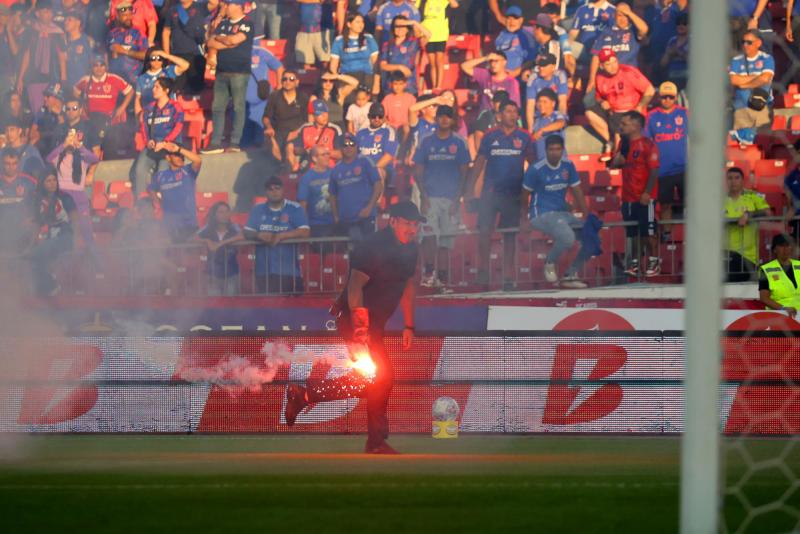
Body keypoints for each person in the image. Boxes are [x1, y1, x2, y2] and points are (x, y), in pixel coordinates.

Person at [284, 200, 423, 455]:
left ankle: (305, 395)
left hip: (375, 326)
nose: (413, 229)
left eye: (416, 225)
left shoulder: (411, 250)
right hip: (354, 320)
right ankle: (376, 441)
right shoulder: (373, 246)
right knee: (382, 378)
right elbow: (355, 286)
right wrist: (360, 332)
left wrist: (409, 324)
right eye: (408, 224)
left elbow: (409, 285)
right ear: (393, 221)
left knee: (376, 380)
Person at [470, 100, 533, 289]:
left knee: (510, 236)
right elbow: (479, 163)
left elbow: (534, 164)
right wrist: (469, 189)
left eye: (515, 111)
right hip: (490, 193)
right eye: (508, 111)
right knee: (484, 233)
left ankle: (508, 276)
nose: (512, 115)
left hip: (513, 194)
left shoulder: (525, 137)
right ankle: (483, 272)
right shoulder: (490, 136)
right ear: (500, 115)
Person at [521, 135, 590, 289]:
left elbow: (577, 190)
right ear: (546, 151)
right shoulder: (536, 169)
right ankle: (550, 262)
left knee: (591, 234)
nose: (554, 153)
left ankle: (570, 275)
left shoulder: (568, 165)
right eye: (551, 149)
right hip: (541, 214)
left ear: (562, 150)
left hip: (562, 214)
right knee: (568, 237)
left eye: (558, 149)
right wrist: (523, 218)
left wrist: (586, 214)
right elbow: (524, 194)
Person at [414, 105, 469, 290]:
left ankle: (443, 279)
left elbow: (464, 174)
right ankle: (428, 274)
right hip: (430, 198)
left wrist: (457, 199)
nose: (444, 120)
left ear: (452, 120)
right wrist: (423, 196)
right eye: (441, 116)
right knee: (429, 237)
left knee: (446, 241)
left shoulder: (459, 143)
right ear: (436, 119)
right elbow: (418, 170)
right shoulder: (426, 142)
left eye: (448, 117)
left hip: (451, 200)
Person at [611, 111, 661, 277]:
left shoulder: (648, 144)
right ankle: (635, 263)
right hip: (628, 197)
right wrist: (621, 150)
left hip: (645, 197)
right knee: (633, 232)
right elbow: (616, 164)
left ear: (637, 125)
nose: (621, 127)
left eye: (625, 124)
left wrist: (647, 193)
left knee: (648, 232)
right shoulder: (623, 144)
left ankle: (654, 262)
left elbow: (654, 170)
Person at [243, 176, 310, 294]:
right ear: (266, 192)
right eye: (270, 189)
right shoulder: (258, 209)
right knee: (266, 309)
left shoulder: (294, 208)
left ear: (283, 190)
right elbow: (247, 231)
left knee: (293, 309)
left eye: (277, 188)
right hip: (263, 270)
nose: (274, 192)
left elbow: (305, 231)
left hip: (288, 270)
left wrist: (280, 236)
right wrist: (258, 235)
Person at [203, 0, 255, 154]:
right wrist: (226, 42)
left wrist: (222, 39)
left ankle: (235, 142)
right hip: (221, 71)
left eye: (229, 4)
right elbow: (210, 42)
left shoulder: (247, 23)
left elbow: (235, 39)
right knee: (217, 107)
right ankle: (216, 142)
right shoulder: (223, 23)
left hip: (239, 71)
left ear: (238, 6)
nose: (225, 7)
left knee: (238, 107)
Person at [586, 48, 654, 154]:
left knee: (620, 139)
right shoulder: (600, 77)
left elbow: (650, 89)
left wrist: (640, 107)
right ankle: (610, 140)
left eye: (615, 62)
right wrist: (601, 102)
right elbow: (598, 96)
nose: (613, 66)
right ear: (601, 66)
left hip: (632, 112)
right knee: (589, 113)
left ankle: (618, 161)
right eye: (608, 64)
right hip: (613, 112)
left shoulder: (629, 72)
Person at [26, 167, 77, 296]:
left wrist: (78, 240)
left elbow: (76, 221)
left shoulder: (65, 198)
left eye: (54, 180)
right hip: (47, 236)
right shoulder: (37, 200)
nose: (52, 183)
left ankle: (51, 285)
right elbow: (35, 223)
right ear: (42, 183)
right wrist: (32, 242)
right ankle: (44, 289)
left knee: (40, 251)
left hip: (64, 236)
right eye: (48, 181)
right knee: (31, 254)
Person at [46, 129, 99, 254]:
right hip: (64, 196)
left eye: (74, 138)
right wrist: (64, 145)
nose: (71, 141)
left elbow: (95, 158)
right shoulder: (58, 157)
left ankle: (95, 261)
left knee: (86, 229)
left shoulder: (82, 157)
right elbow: (48, 159)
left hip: (79, 196)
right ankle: (67, 256)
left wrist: (79, 146)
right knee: (68, 228)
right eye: (69, 137)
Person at [73, 54, 134, 158]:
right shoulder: (86, 80)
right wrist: (81, 105)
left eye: (102, 65)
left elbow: (130, 91)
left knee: (108, 149)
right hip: (90, 120)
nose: (99, 68)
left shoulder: (114, 79)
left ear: (106, 66)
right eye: (96, 65)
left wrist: (122, 107)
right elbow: (75, 91)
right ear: (91, 67)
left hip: (110, 120)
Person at [646, 81, 688, 225]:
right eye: (664, 97)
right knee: (665, 206)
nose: (667, 100)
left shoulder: (685, 113)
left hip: (684, 168)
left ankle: (690, 237)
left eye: (670, 97)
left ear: (676, 97)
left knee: (690, 205)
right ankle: (667, 236)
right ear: (659, 97)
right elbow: (646, 142)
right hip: (663, 170)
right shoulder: (651, 116)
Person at [132, 77, 184, 194]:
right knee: (139, 169)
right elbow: (144, 128)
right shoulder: (149, 108)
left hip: (170, 148)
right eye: (153, 87)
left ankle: (164, 203)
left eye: (157, 87)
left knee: (163, 171)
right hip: (152, 146)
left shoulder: (175, 107)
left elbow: (178, 127)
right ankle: (142, 201)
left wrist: (165, 142)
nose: (153, 90)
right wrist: (148, 141)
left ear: (166, 90)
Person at [330, 133, 383, 242]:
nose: (348, 147)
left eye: (352, 144)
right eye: (345, 145)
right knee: (351, 255)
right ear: (340, 148)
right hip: (346, 220)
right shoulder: (336, 169)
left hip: (365, 218)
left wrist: (369, 208)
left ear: (356, 146)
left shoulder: (365, 162)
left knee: (367, 252)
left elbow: (378, 185)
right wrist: (336, 216)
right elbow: (332, 194)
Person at [17, 0, 67, 114]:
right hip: (33, 79)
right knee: (37, 112)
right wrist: (20, 78)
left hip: (52, 78)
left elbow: (61, 57)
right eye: (45, 11)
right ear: (38, 14)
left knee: (52, 110)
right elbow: (27, 55)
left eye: (50, 11)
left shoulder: (57, 32)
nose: (49, 14)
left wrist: (63, 78)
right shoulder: (31, 31)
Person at [588, 1, 648, 92]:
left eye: (625, 16)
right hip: (609, 76)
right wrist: (592, 80)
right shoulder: (606, 32)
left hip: (629, 75)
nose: (622, 19)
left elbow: (644, 29)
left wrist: (629, 13)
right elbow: (596, 56)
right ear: (614, 16)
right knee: (589, 99)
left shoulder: (633, 31)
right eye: (620, 15)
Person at [148, 142, 202, 243]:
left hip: (188, 225)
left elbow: (198, 160)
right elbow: (151, 189)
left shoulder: (187, 171)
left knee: (189, 257)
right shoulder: (160, 175)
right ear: (168, 158)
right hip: (170, 227)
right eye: (177, 155)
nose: (180, 158)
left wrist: (179, 149)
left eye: (181, 156)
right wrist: (159, 203)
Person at [726, 166, 770, 282]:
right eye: (730, 178)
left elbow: (768, 213)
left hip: (746, 256)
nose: (733, 181)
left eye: (736, 178)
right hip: (724, 253)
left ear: (743, 180)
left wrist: (749, 215)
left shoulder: (753, 196)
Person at [729, 30, 774, 145]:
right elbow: (734, 80)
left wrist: (744, 84)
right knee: (743, 94)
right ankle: (747, 139)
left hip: (762, 102)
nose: (745, 45)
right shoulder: (736, 60)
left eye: (749, 42)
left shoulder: (767, 58)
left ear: (758, 43)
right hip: (742, 103)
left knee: (747, 92)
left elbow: (765, 79)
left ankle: (746, 138)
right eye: (743, 42)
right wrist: (756, 77)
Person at [194, 201, 243, 295]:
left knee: (231, 304)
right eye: (221, 212)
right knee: (214, 305)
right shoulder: (208, 228)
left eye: (227, 211)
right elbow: (193, 238)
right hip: (213, 275)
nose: (224, 215)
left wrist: (221, 243)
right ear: (214, 215)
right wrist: (207, 241)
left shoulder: (234, 227)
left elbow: (242, 236)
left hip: (231, 274)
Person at [161, 0, 209, 94]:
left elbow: (214, 3)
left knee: (196, 89)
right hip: (177, 55)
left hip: (196, 55)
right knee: (178, 89)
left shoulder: (200, 7)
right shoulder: (172, 10)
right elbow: (166, 32)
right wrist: (167, 56)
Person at [242, 40, 283, 148]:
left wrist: (279, 87)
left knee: (260, 138)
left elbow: (279, 68)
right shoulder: (236, 51)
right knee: (244, 141)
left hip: (261, 100)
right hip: (242, 100)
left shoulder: (262, 52)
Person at [330, 13, 380, 96]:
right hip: (347, 77)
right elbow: (333, 67)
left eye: (362, 22)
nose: (361, 25)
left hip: (366, 76)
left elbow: (375, 64)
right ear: (349, 24)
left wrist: (376, 83)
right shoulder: (339, 41)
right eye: (357, 22)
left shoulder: (368, 38)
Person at [287, 99, 343, 173]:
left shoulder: (334, 129)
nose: (324, 116)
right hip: (309, 169)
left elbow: (340, 154)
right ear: (313, 116)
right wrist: (307, 150)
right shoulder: (305, 128)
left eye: (326, 112)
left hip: (328, 169)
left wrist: (322, 152)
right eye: (320, 114)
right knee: (289, 146)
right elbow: (296, 150)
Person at [262, 70, 311, 150]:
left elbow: (308, 120)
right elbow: (266, 117)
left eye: (291, 79)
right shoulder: (274, 96)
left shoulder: (303, 97)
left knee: (292, 149)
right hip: (278, 132)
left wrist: (296, 132)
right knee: (275, 150)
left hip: (298, 133)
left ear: (297, 82)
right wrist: (269, 127)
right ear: (281, 81)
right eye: (285, 79)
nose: (288, 81)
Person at [379, 15, 427, 96]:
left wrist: (414, 22)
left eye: (403, 26)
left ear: (407, 28)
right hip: (391, 87)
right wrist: (400, 67)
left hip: (409, 86)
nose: (400, 29)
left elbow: (428, 35)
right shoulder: (387, 44)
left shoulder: (413, 42)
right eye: (397, 26)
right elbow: (383, 66)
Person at [0, 148, 36, 253]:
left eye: (14, 163)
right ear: (2, 164)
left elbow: (40, 204)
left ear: (19, 163)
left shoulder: (29, 181)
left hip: (23, 233)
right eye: (7, 164)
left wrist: (32, 220)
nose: (11, 167)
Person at [134, 49, 190, 116]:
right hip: (152, 114)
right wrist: (139, 116)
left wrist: (167, 56)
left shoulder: (168, 71)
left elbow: (186, 65)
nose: (156, 61)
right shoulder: (141, 78)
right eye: (153, 58)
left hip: (170, 112)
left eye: (159, 58)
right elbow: (138, 98)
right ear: (148, 60)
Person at [418, 0, 459, 91]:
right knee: (432, 62)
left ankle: (439, 86)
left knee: (439, 60)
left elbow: (455, 4)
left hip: (440, 34)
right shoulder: (422, 1)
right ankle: (434, 86)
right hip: (427, 34)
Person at [355, 102, 399, 185]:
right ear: (368, 116)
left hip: (383, 170)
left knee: (378, 173)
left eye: (380, 116)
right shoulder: (361, 133)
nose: (377, 119)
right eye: (374, 116)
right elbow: (354, 154)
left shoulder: (389, 131)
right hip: (362, 170)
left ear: (384, 117)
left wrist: (371, 171)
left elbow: (388, 156)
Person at [297, 144, 336, 238]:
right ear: (314, 158)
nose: (327, 157)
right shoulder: (306, 178)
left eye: (328, 154)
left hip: (336, 222)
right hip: (317, 225)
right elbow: (303, 205)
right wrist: (305, 227)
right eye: (323, 155)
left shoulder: (335, 173)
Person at [107, 0, 149, 87]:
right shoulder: (112, 33)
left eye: (130, 14)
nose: (128, 17)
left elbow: (146, 55)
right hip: (116, 80)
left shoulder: (138, 33)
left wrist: (125, 51)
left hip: (134, 79)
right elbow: (106, 54)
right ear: (118, 16)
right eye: (125, 15)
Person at [759, 234, 800, 317]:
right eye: (782, 246)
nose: (785, 249)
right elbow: (764, 298)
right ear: (774, 250)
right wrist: (783, 309)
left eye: (788, 245)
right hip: (779, 315)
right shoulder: (766, 269)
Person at [525, 53, 568, 126]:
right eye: (540, 65)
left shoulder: (560, 76)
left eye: (544, 65)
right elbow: (530, 106)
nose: (541, 68)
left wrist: (559, 121)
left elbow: (562, 103)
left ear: (553, 67)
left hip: (555, 115)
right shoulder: (533, 78)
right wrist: (531, 128)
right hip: (538, 116)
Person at [494, 5, 537, 76]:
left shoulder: (526, 36)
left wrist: (517, 72)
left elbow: (532, 60)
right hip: (500, 76)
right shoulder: (501, 35)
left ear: (521, 20)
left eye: (515, 18)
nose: (511, 22)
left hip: (517, 76)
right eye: (509, 18)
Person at [530, 89, 567, 161]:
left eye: (545, 102)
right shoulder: (537, 119)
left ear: (553, 103)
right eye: (539, 101)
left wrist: (542, 130)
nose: (541, 104)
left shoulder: (556, 115)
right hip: (541, 162)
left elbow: (560, 123)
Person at [63, 9, 94, 93]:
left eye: (69, 19)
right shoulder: (62, 41)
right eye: (65, 19)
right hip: (67, 86)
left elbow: (93, 63)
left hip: (83, 86)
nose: (66, 22)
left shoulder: (87, 41)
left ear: (78, 22)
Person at [381, 72, 417, 138]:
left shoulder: (410, 98)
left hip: (406, 127)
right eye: (395, 84)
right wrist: (388, 123)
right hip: (391, 127)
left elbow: (415, 115)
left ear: (405, 84)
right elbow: (382, 115)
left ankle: (403, 147)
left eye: (400, 84)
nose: (398, 87)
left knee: (406, 129)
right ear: (391, 84)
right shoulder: (387, 98)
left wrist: (407, 124)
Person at [295, 0, 329, 70]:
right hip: (303, 30)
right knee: (305, 61)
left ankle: (327, 79)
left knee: (326, 60)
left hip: (321, 29)